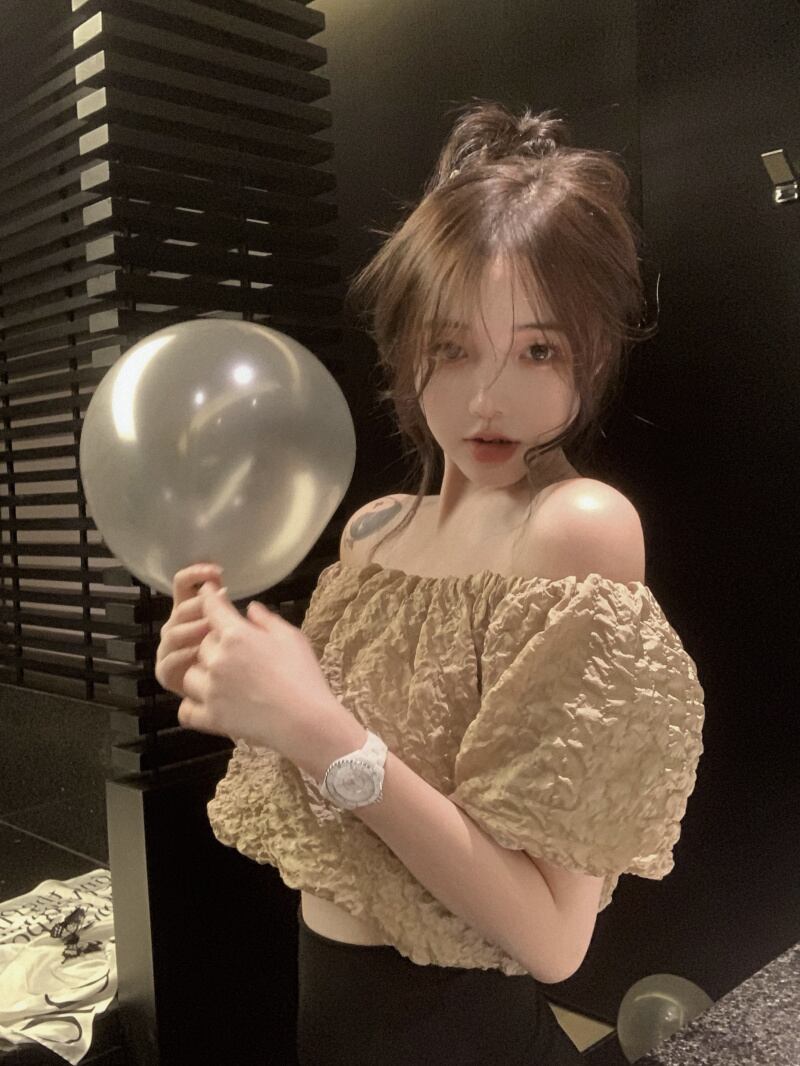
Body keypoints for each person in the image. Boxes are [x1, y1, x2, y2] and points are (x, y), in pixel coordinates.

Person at [155, 101, 705, 1065]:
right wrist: (231, 684)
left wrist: (315, 726)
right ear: (406, 348)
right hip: (331, 1020)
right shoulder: (375, 533)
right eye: (451, 349)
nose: (488, 397)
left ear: (591, 355)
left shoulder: (574, 529)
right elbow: (341, 793)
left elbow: (554, 940)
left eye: (538, 350)